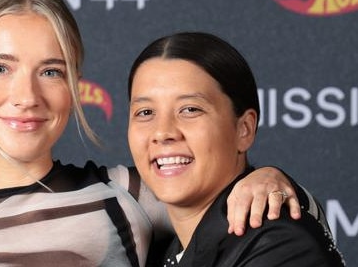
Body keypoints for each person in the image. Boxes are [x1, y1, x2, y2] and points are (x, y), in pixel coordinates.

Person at [0, 0, 304, 266]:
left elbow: (278, 233)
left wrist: (270, 180)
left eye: (51, 72)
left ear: (74, 87)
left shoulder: (130, 196)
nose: (27, 95)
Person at [127, 32, 346, 266]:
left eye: (190, 109)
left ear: (244, 130)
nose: (163, 132)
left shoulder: (277, 244)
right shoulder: (155, 249)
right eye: (145, 112)